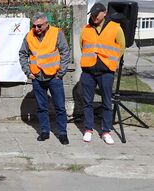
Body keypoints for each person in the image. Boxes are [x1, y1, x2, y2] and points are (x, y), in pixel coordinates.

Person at [19, 12, 70, 145]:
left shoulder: (56, 33)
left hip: (54, 77)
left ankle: (62, 133)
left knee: (60, 107)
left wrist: (61, 73)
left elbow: (65, 52)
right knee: (41, 107)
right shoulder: (29, 36)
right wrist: (27, 72)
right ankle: (44, 131)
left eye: (39, 26)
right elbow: (23, 54)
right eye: (34, 26)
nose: (36, 29)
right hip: (37, 77)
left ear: (46, 24)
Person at [80, 2, 126, 145]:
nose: (93, 17)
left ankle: (106, 131)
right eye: (92, 15)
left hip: (106, 71)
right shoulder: (86, 28)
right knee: (87, 102)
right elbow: (82, 46)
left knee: (107, 102)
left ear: (104, 13)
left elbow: (121, 47)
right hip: (88, 71)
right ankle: (88, 129)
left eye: (96, 15)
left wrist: (110, 61)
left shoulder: (116, 28)